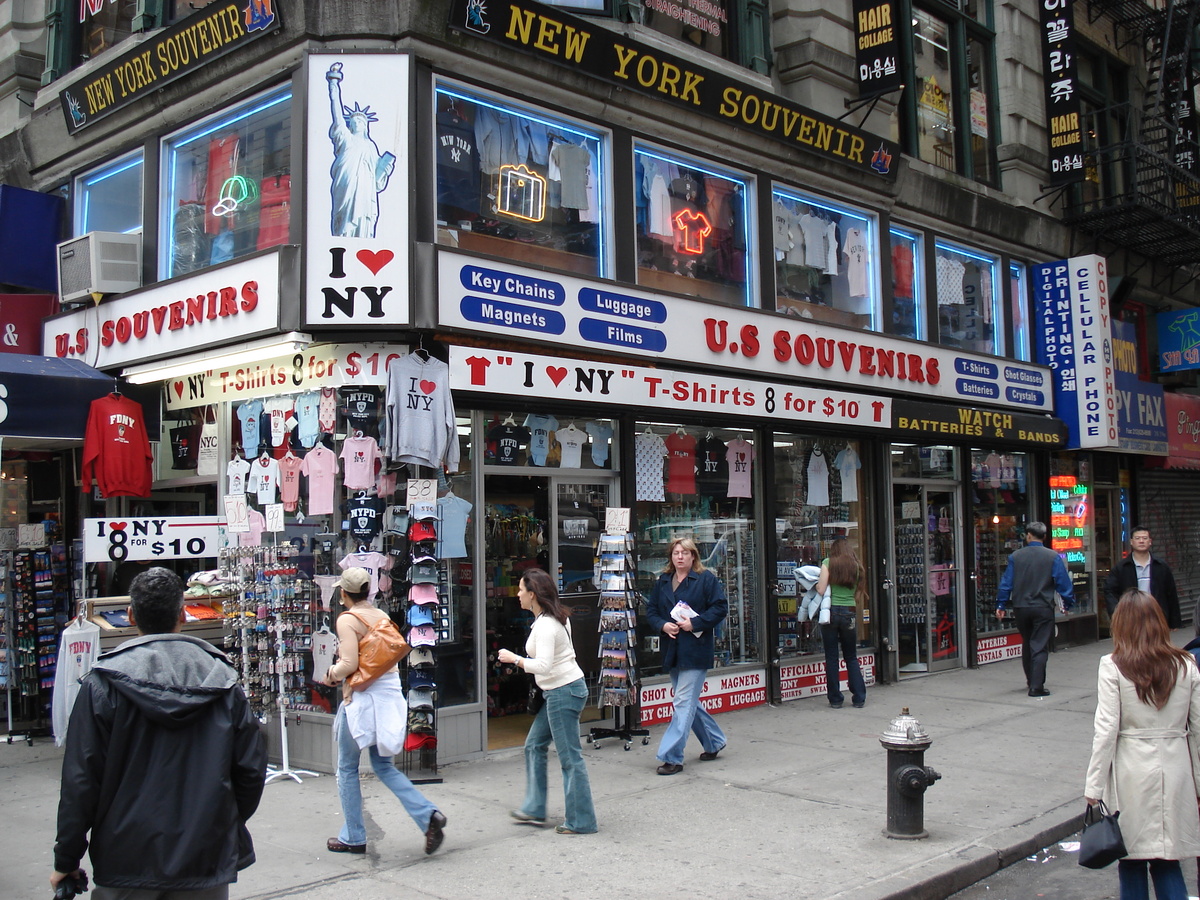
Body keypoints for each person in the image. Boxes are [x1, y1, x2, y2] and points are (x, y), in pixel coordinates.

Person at [51, 567, 266, 900]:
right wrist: (216, 822)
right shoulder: (222, 682)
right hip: (203, 856)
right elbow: (250, 771)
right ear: (183, 614)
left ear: (130, 615)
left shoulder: (103, 685)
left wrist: (66, 858)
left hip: (126, 858)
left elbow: (81, 780)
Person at [1085, 590, 1200, 900]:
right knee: (1167, 862)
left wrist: (1093, 787)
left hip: (1130, 772)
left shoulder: (1113, 665)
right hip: (1176, 770)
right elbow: (1199, 730)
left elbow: (1106, 729)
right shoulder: (1186, 664)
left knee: (1132, 861)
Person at [323, 567, 447, 855]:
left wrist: (330, 673)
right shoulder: (381, 616)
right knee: (383, 767)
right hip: (387, 697)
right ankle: (428, 815)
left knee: (346, 768)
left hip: (361, 700)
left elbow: (349, 664)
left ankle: (354, 836)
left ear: (344, 594)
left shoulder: (347, 620)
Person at [497, 568, 597, 834]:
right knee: (533, 745)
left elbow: (542, 665)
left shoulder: (546, 625)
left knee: (570, 758)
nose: (517, 594)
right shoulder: (555, 618)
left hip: (562, 692)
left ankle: (581, 820)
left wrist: (514, 659)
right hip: (562, 690)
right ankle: (534, 808)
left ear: (533, 595)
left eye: (520, 590)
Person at [644, 537, 728, 775]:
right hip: (673, 649)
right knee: (688, 702)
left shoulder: (706, 579)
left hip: (696, 649)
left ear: (694, 557)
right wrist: (663, 625)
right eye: (676, 553)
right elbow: (651, 611)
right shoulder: (662, 581)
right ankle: (714, 741)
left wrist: (696, 623)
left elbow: (720, 607)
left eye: (685, 553)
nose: (680, 557)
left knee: (682, 702)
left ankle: (672, 756)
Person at [995, 521, 1074, 697]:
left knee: (1027, 642)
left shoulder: (1016, 556)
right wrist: (1067, 604)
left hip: (1021, 607)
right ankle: (1037, 686)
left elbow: (1006, 583)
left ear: (1028, 536)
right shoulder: (1052, 557)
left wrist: (1000, 604)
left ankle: (1031, 679)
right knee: (1039, 645)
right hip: (1042, 606)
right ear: (1044, 537)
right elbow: (1063, 583)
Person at [326, 62, 396, 238]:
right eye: (354, 121)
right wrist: (334, 84)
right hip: (347, 181)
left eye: (361, 122)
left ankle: (362, 239)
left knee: (364, 217)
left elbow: (377, 179)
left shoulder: (370, 146)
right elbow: (337, 113)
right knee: (344, 218)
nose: (357, 123)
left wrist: (385, 169)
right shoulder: (345, 138)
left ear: (365, 126)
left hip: (365, 186)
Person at [815, 537, 868, 709]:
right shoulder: (857, 566)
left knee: (831, 657)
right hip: (849, 612)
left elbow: (821, 589)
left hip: (830, 612)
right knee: (851, 656)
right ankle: (859, 696)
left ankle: (836, 699)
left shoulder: (828, 562)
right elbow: (858, 595)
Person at [1104, 527, 1181, 629]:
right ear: (1131, 542)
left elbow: (1171, 594)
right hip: (1132, 616)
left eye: (1144, 538)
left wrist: (1174, 622)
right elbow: (1109, 590)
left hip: (1156, 615)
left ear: (1150, 542)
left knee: (1157, 644)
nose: (1141, 541)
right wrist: (1117, 612)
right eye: (1137, 538)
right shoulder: (1122, 567)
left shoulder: (1161, 566)